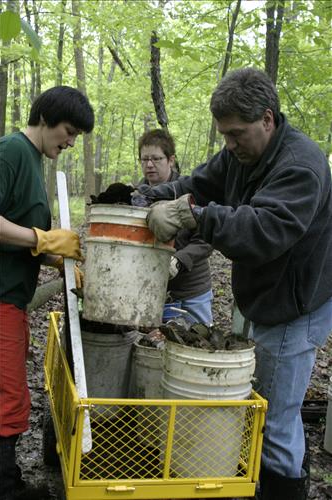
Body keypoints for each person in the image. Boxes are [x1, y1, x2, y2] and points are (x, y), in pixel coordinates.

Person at [133, 68, 332, 500]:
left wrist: (198, 217)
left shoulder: (300, 166)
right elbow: (197, 181)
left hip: (293, 306)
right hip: (261, 296)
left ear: (268, 118)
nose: (230, 143)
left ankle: (283, 487)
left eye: (237, 133)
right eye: (224, 134)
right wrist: (153, 195)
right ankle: (262, 480)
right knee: (261, 406)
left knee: (274, 419)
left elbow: (264, 231)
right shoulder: (242, 154)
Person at [0, 85, 94, 500]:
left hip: (13, 299)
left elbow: (18, 236)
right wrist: (42, 238)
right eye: (68, 131)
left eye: (76, 136)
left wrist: (56, 259)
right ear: (44, 117)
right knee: (9, 398)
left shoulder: (33, 162)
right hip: (0, 300)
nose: (70, 142)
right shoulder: (12, 152)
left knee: (10, 395)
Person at [137, 128, 213, 325]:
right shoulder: (136, 197)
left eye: (156, 158)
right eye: (144, 159)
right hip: (149, 290)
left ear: (171, 160)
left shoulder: (191, 192)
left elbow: (206, 240)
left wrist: (179, 260)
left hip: (191, 292)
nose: (149, 165)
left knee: (195, 346)